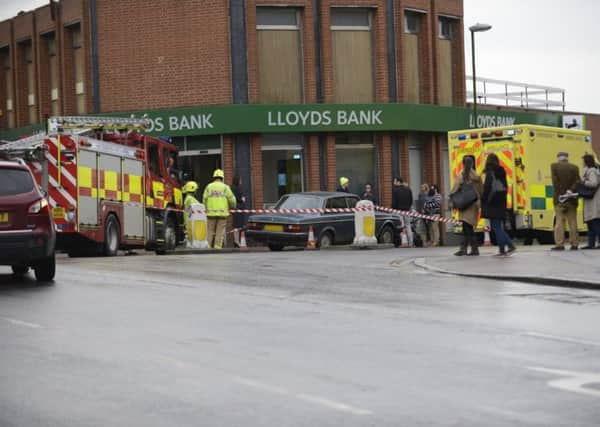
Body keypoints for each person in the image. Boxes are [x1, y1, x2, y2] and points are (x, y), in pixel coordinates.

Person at [481, 154, 516, 256]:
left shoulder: (490, 173)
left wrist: (483, 199)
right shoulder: (502, 171)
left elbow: (487, 188)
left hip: (492, 203)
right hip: (501, 202)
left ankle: (503, 249)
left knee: (496, 227)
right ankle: (509, 246)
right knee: (498, 226)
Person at [451, 156, 482, 256]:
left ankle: (471, 248)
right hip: (474, 204)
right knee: (468, 227)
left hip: (465, 204)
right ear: (472, 164)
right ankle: (467, 248)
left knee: (467, 227)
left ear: (463, 164)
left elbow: (455, 188)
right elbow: (481, 190)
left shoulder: (461, 175)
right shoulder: (477, 176)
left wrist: (452, 200)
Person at [551, 151, 580, 250]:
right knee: (573, 222)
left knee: (559, 222)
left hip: (560, 199)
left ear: (558, 158)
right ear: (567, 158)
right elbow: (577, 181)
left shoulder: (554, 166)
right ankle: (574, 244)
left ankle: (560, 244)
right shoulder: (575, 168)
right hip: (571, 199)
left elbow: (555, 182)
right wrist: (570, 191)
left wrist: (562, 194)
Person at [202, 169, 236, 250]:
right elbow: (232, 199)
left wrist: (205, 208)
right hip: (222, 213)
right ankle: (217, 247)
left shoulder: (209, 187)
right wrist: (233, 206)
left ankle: (208, 247)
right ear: (222, 177)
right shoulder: (225, 187)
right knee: (219, 232)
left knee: (209, 231)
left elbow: (204, 199)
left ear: (214, 177)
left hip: (210, 213)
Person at [581, 154, 600, 249]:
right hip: (591, 200)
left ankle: (594, 243)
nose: (582, 163)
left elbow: (594, 183)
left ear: (587, 161)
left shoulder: (592, 171)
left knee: (594, 223)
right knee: (591, 223)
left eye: (583, 161)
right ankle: (591, 244)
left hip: (593, 200)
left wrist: (584, 182)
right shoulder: (590, 170)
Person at [392, 177, 414, 247]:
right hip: (407, 211)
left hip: (399, 211)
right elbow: (411, 200)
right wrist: (408, 207)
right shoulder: (408, 189)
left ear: (399, 182)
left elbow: (394, 202)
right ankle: (410, 243)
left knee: (400, 227)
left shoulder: (395, 190)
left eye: (395, 181)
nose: (394, 182)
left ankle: (403, 243)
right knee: (408, 226)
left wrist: (393, 209)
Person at [231, 175, 247, 247]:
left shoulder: (231, 188)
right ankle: (237, 241)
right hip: (239, 207)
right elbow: (241, 198)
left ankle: (236, 240)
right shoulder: (239, 188)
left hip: (234, 208)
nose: (241, 181)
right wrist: (242, 199)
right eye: (240, 180)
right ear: (238, 180)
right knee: (239, 225)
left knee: (235, 225)